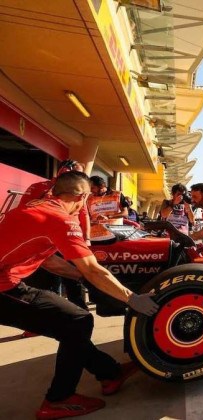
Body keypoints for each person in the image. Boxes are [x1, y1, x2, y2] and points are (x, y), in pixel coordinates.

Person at [0, 171, 159, 419]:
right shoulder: (61, 219)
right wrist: (131, 297)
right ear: (83, 196)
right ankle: (59, 399)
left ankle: (109, 372)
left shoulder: (36, 207)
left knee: (69, 325)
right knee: (78, 320)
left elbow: (49, 260)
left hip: (8, 281)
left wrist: (82, 278)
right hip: (3, 287)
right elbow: (93, 268)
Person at [19, 159, 90, 311]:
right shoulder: (39, 187)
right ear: (63, 171)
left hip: (70, 239)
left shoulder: (79, 192)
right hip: (44, 242)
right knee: (44, 283)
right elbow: (23, 211)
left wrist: (87, 239)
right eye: (76, 173)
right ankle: (41, 321)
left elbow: (84, 215)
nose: (80, 177)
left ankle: (80, 315)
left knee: (74, 283)